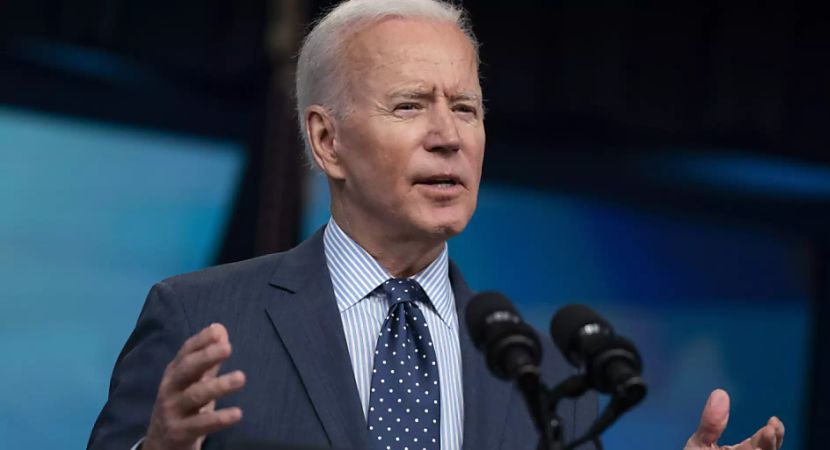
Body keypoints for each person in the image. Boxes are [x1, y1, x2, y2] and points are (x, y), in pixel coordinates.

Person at [88, 1, 786, 449]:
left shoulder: (547, 380)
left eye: (468, 109)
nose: (448, 137)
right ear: (327, 142)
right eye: (410, 106)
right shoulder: (200, 319)